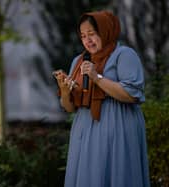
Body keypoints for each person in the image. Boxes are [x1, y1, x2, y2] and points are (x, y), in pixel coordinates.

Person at [54, 10, 150, 187]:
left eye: (92, 34)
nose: (87, 40)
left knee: (118, 176)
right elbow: (69, 108)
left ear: (105, 31)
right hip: (84, 129)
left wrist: (96, 78)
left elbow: (132, 94)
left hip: (119, 126)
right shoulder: (78, 61)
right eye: (83, 36)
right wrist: (65, 91)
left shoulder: (124, 55)